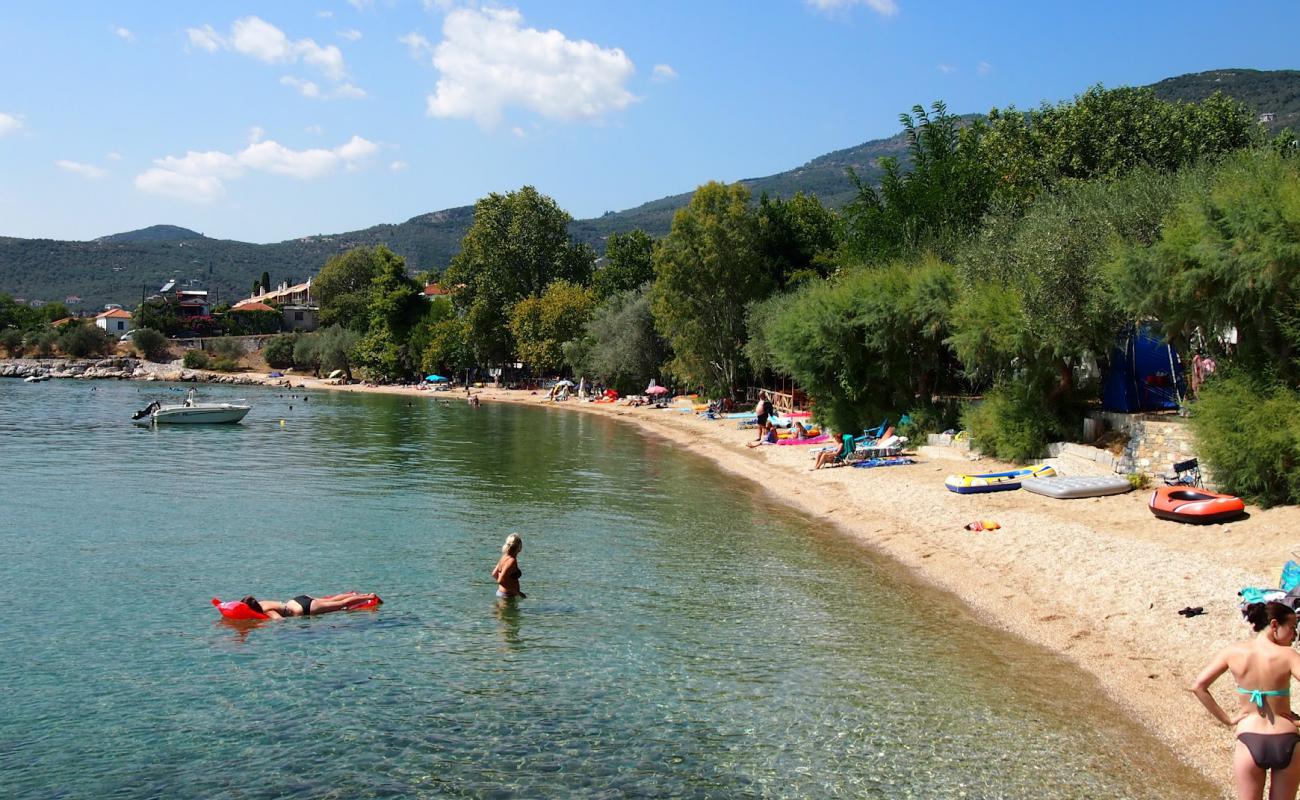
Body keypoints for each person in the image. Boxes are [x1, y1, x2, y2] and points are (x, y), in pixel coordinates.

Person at [1192, 601, 1300, 799]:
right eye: (1293, 627)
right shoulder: (1289, 656)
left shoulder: (1233, 652)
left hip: (1249, 737)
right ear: (1274, 625)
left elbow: (1198, 686)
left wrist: (1227, 719)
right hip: (1287, 739)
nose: (1295, 635)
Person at [239, 591, 381, 619]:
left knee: (341, 605)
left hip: (304, 609)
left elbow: (279, 621)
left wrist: (261, 625)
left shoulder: (267, 611)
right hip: (298, 599)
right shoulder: (262, 602)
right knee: (333, 599)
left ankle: (369, 597)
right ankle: (360, 595)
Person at [492, 533, 526, 599]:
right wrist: (517, 592)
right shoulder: (511, 561)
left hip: (502, 593)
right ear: (519, 547)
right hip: (507, 596)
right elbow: (500, 580)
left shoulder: (504, 557)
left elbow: (494, 574)